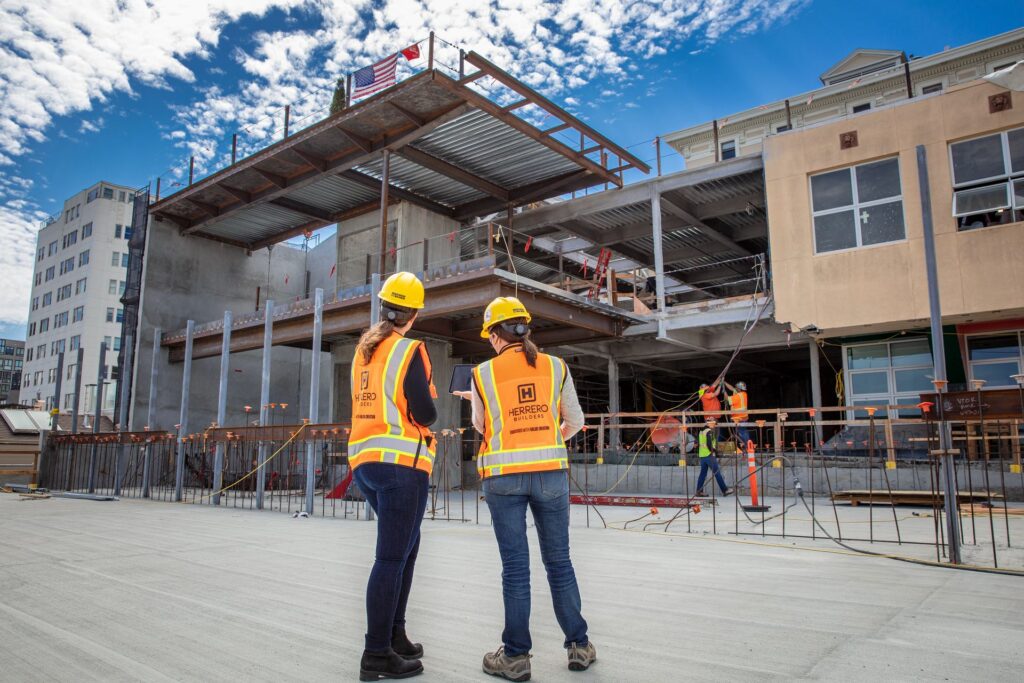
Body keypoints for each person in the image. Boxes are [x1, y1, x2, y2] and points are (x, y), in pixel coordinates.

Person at [456, 296, 596, 681]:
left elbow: (484, 428)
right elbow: (576, 421)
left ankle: (516, 657)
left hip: (503, 478)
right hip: (550, 474)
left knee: (515, 568)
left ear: (496, 335)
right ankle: (579, 646)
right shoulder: (556, 366)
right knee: (559, 562)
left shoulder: (481, 375)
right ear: (524, 328)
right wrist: (550, 438)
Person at [348, 271, 437, 681]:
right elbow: (425, 413)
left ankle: (395, 634)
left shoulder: (364, 351)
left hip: (365, 464)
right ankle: (376, 654)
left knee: (406, 549)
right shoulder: (409, 349)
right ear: (414, 313)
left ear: (385, 307)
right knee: (390, 559)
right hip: (401, 466)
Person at [695, 417, 731, 497]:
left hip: (702, 455)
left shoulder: (701, 431)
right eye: (714, 424)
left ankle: (699, 491)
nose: (714, 425)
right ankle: (725, 490)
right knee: (717, 473)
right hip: (709, 455)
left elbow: (698, 443)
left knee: (703, 474)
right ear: (711, 423)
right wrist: (715, 451)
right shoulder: (709, 432)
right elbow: (709, 444)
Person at [724, 380, 750, 451]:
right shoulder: (743, 394)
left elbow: (728, 399)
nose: (735, 388)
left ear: (739, 388)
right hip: (743, 417)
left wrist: (724, 392)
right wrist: (725, 383)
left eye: (737, 388)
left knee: (742, 433)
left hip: (740, 418)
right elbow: (732, 388)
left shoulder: (738, 396)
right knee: (742, 432)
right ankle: (746, 446)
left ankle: (747, 447)